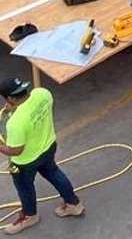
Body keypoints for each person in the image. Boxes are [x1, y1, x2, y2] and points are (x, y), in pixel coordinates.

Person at [0, 76, 81, 230]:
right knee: (53, 173)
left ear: (10, 98)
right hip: (48, 147)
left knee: (24, 187)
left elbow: (15, 151)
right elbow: (31, 111)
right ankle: (73, 204)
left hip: (25, 163)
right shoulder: (43, 93)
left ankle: (30, 216)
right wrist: (16, 109)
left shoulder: (15, 123)